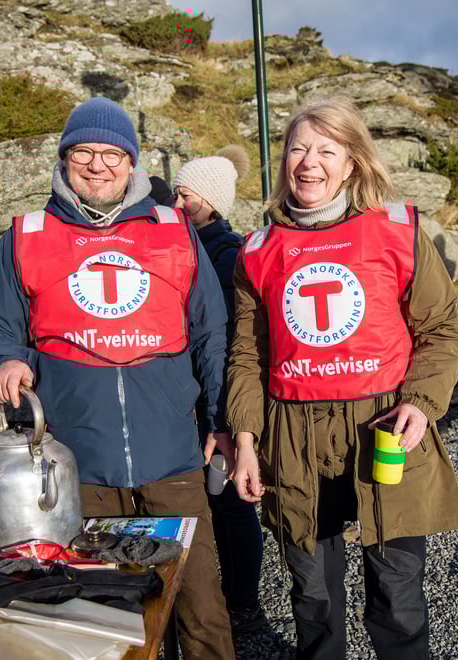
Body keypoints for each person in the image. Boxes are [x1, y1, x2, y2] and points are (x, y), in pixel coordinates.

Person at [0, 96, 236, 659]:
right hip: (76, 467)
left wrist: (221, 422)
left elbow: (212, 334)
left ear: (131, 163)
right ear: (63, 160)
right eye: (83, 151)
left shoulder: (174, 231)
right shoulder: (26, 236)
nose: (97, 164)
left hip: (174, 458)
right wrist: (4, 358)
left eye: (112, 153)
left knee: (201, 608)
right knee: (101, 620)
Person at [226, 98, 458, 659]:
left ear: (354, 162)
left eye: (326, 150)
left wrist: (422, 403)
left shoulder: (398, 229)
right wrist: (243, 440)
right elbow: (245, 356)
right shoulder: (258, 250)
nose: (308, 162)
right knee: (311, 595)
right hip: (291, 435)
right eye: (297, 149)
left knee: (398, 593)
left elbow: (443, 329)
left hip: (383, 424)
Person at [171, 145, 268, 635]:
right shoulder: (190, 242)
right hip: (202, 395)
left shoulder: (223, 253)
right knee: (216, 501)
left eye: (186, 194)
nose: (178, 202)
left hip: (223, 395)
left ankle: (245, 602)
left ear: (210, 200)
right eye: (176, 192)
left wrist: (226, 413)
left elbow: (230, 339)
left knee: (230, 503)